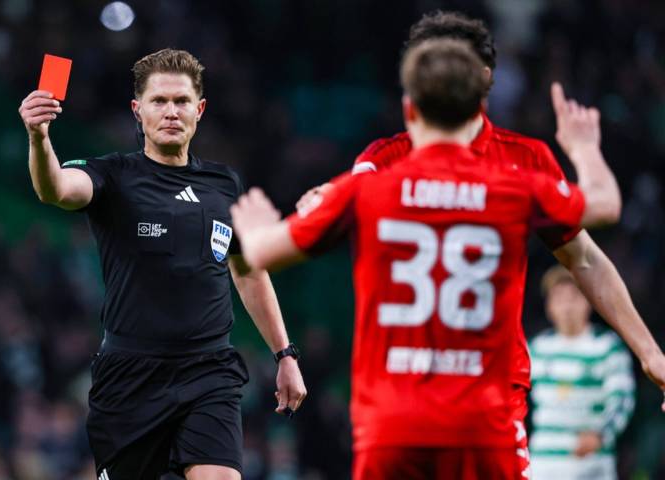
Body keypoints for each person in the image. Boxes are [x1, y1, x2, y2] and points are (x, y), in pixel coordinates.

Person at [230, 39, 665, 479]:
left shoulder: (374, 187)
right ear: (480, 100)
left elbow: (264, 251)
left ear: (410, 108)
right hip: (483, 414)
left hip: (394, 418)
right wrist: (584, 148)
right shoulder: (511, 186)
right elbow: (606, 205)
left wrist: (258, 225)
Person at [18, 48, 307, 480]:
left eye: (181, 101)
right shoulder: (112, 175)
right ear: (138, 111)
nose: (170, 112)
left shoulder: (224, 184)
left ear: (199, 109)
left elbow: (248, 271)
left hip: (208, 371)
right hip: (130, 378)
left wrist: (284, 354)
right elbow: (56, 188)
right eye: (158, 101)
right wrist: (39, 138)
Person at [529, 266, 635, 479]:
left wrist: (601, 435)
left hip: (589, 465)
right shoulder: (535, 349)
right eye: (559, 297)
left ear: (588, 302)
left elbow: (622, 399)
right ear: (549, 305)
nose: (567, 305)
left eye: (574, 296)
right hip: (542, 463)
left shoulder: (607, 348)